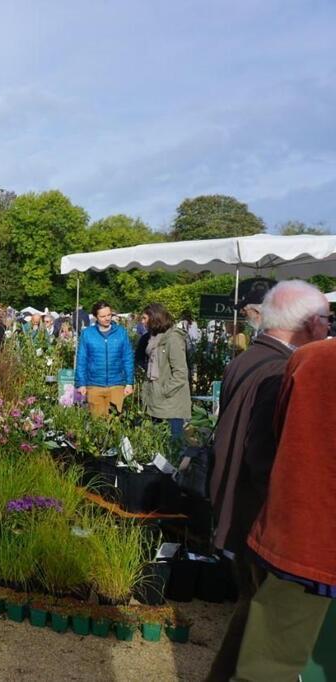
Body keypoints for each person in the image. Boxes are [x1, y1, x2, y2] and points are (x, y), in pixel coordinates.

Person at [207, 280, 331, 681]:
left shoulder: (251, 358)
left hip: (247, 517)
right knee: (263, 641)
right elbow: (265, 458)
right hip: (266, 523)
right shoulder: (284, 369)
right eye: (327, 320)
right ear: (312, 323)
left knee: (251, 625)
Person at [234, 332, 336, 680]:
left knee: (266, 665)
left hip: (301, 536)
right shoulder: (312, 360)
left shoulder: (311, 359)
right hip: (308, 542)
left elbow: (279, 438)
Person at [140, 303, 191, 443]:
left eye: (144, 318)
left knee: (172, 447)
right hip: (157, 401)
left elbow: (180, 373)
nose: (142, 322)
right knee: (157, 445)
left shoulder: (173, 339)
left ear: (154, 318)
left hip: (170, 403)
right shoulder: (154, 339)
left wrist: (163, 391)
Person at [75, 301, 134, 417]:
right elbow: (82, 360)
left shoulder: (121, 332)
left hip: (116, 384)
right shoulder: (87, 334)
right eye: (102, 316)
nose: (107, 318)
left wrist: (129, 382)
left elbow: (127, 358)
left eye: (109, 315)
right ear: (96, 317)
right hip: (94, 385)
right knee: (98, 425)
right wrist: (81, 383)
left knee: (115, 423)